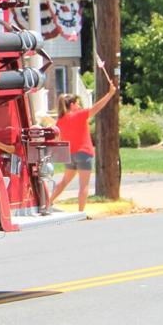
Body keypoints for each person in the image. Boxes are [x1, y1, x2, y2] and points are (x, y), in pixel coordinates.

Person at [47, 65, 118, 214]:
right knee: (83, 185)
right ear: (72, 105)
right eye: (77, 103)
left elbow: (57, 138)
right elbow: (97, 108)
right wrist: (110, 94)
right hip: (84, 153)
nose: (79, 105)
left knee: (65, 181)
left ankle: (48, 202)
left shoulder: (61, 120)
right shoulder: (78, 115)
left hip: (70, 155)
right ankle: (81, 211)